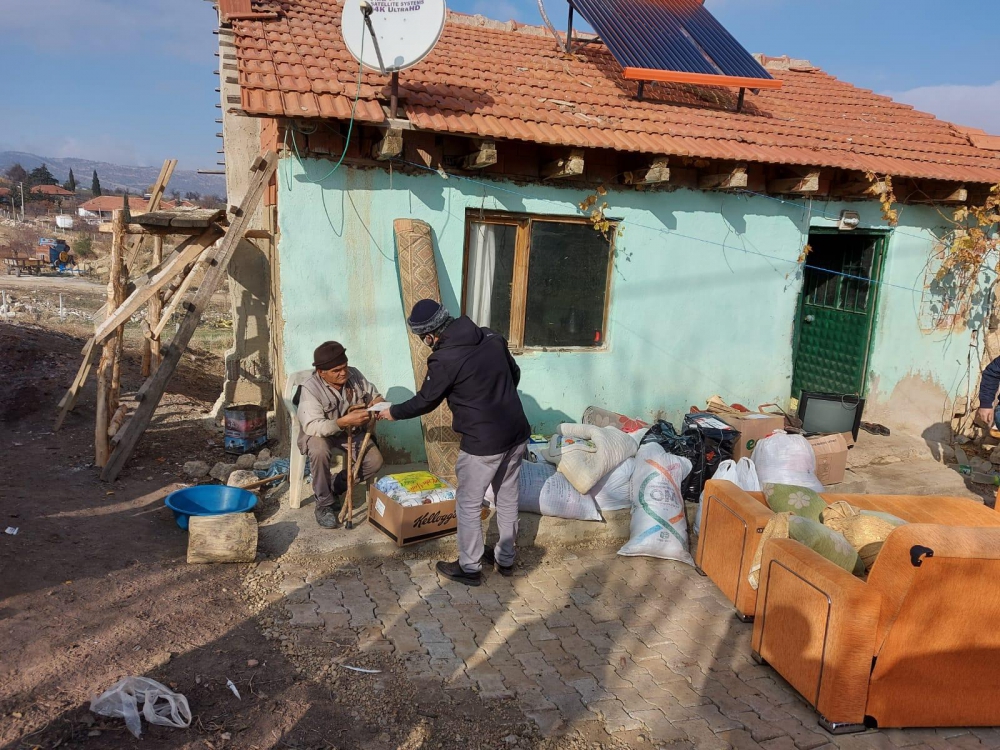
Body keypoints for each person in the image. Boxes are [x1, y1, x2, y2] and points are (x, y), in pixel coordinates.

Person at [381, 299, 530, 587]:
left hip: (483, 441)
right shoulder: (490, 336)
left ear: (429, 336)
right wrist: (497, 396)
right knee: (508, 496)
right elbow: (515, 374)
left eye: (423, 340)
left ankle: (470, 567)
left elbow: (426, 400)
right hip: (516, 431)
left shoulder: (444, 358)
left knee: (469, 502)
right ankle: (505, 558)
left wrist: (393, 412)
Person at [296, 341, 385, 529]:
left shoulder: (355, 375)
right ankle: (324, 504)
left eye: (344, 367)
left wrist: (377, 403)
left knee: (374, 461)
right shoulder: (310, 388)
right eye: (336, 370)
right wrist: (343, 422)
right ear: (322, 372)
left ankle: (335, 487)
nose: (343, 373)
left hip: (351, 432)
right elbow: (313, 426)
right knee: (319, 451)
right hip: (320, 433)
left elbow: (374, 394)